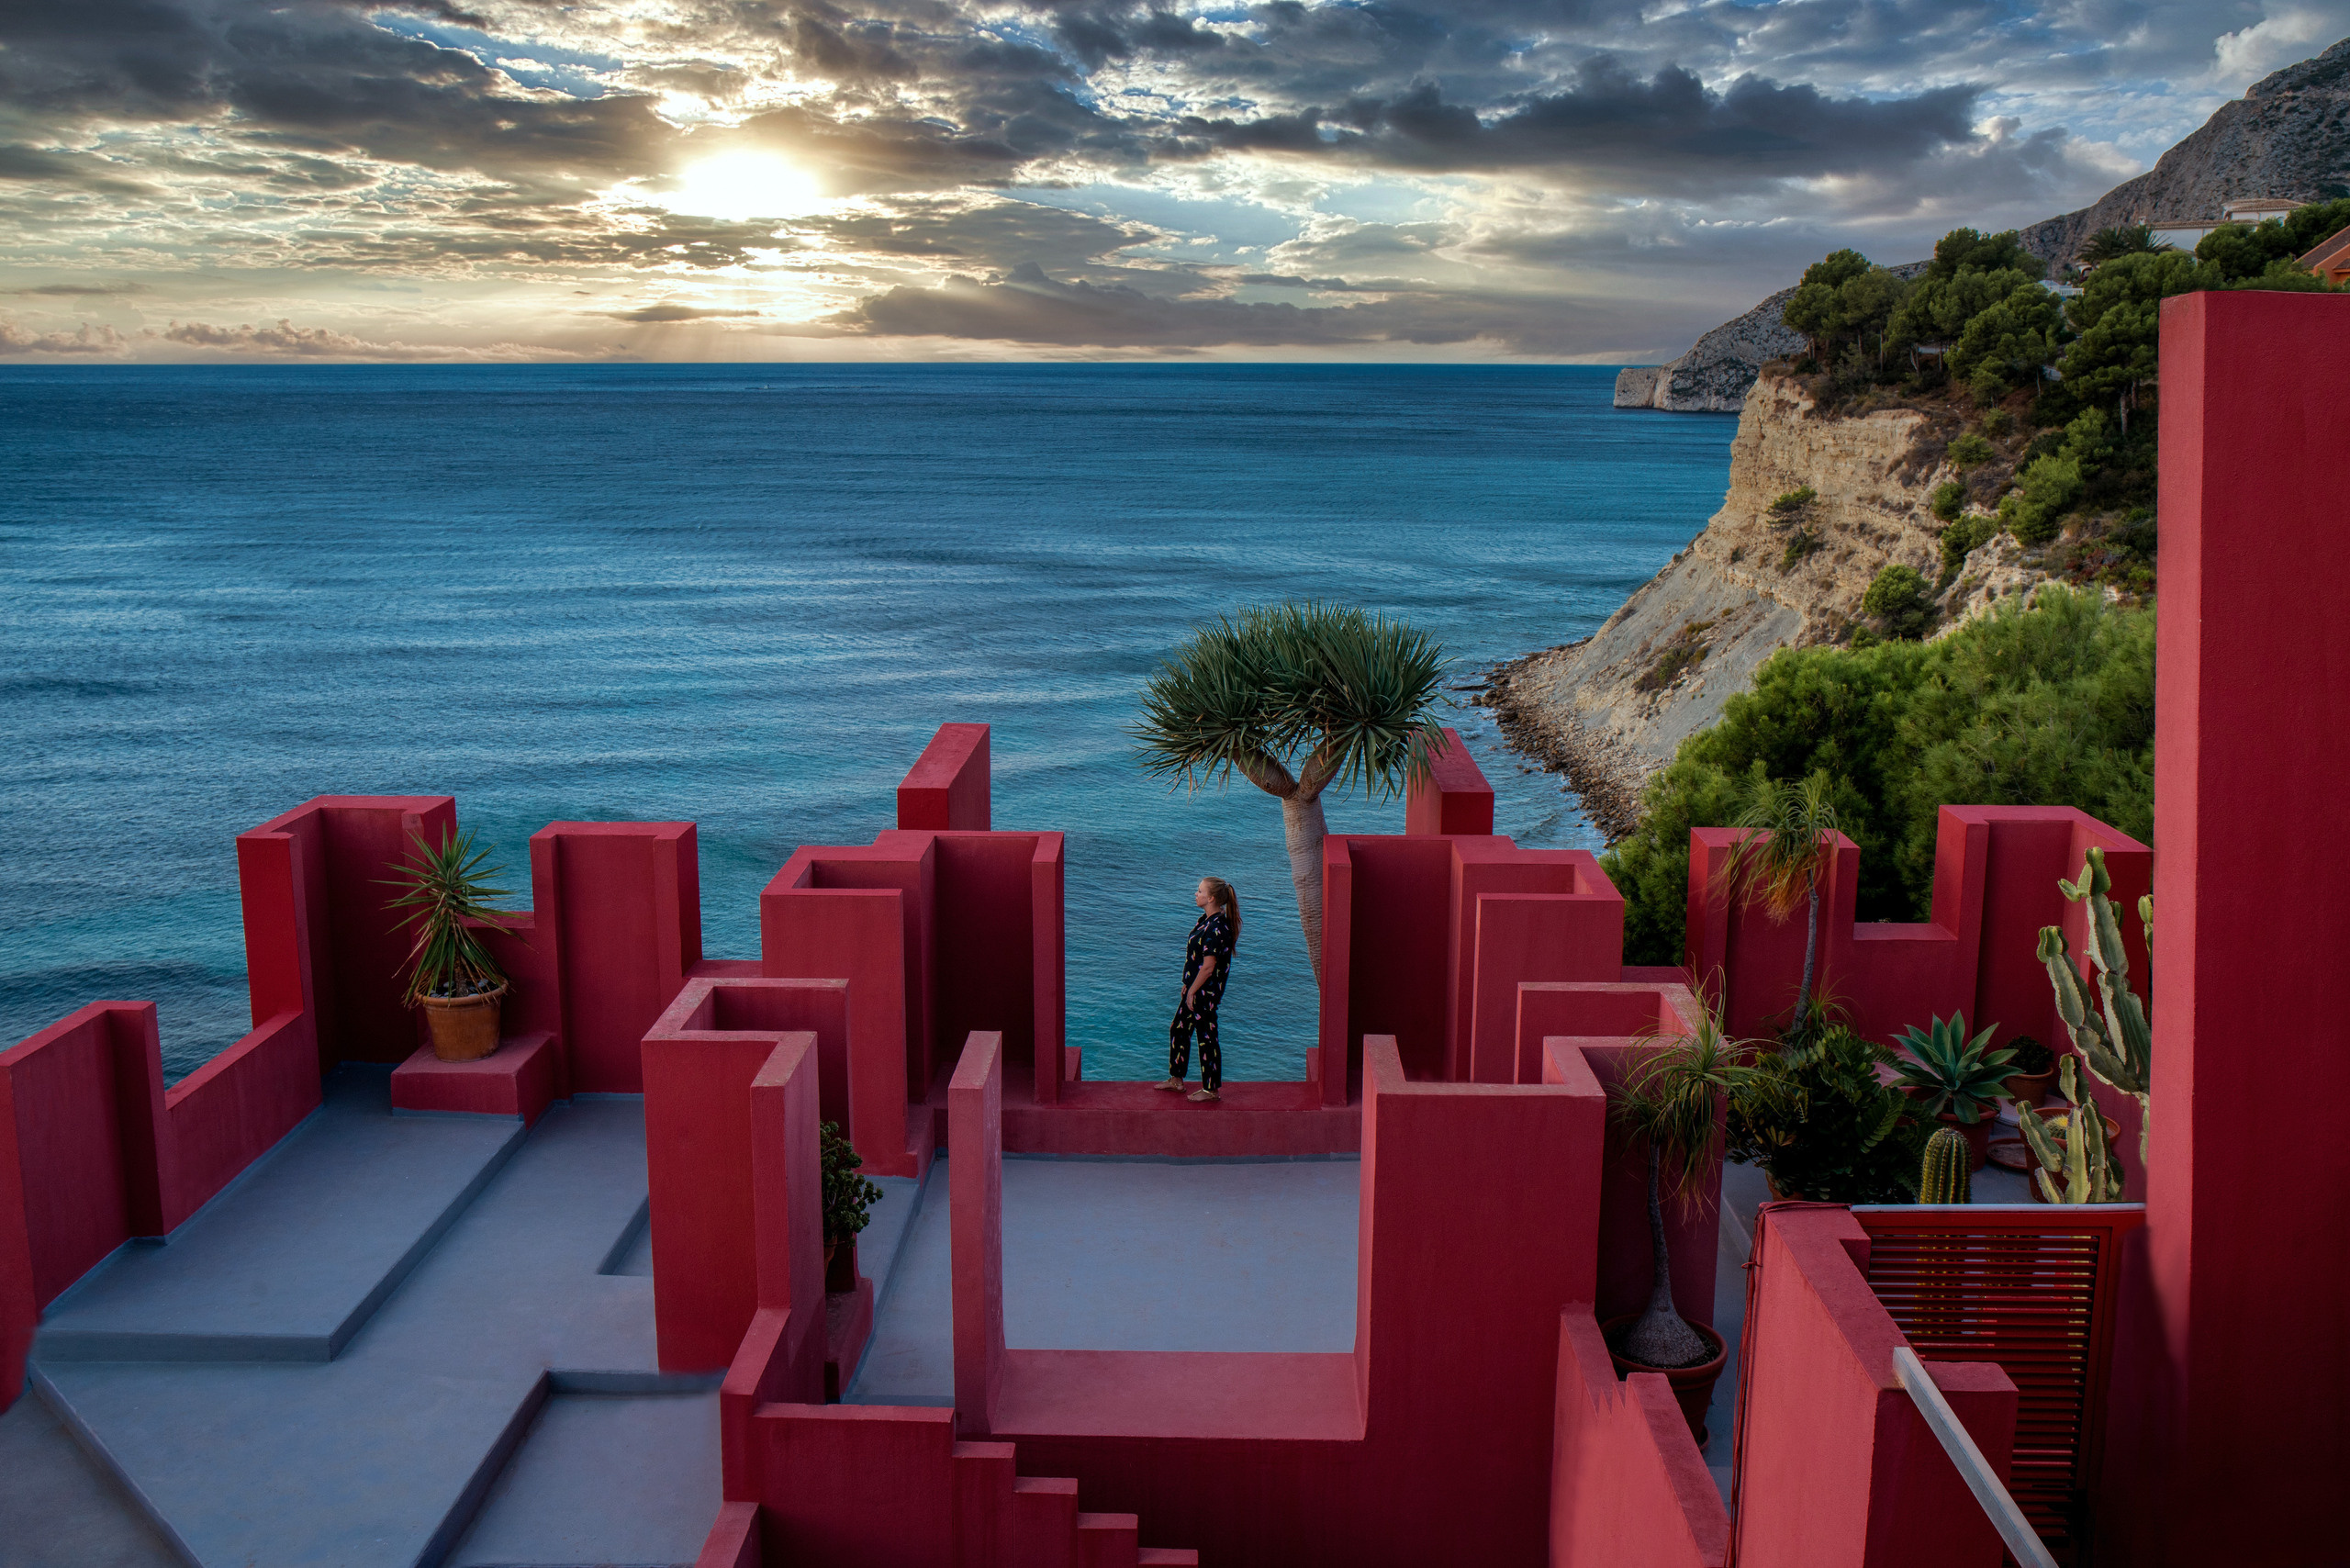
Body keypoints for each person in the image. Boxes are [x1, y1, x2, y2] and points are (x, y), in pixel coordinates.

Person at [1157, 876, 1239, 1103]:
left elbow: (1209, 967)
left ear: (1211, 898)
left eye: (1200, 891)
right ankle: (1176, 1079)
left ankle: (1211, 1090)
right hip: (1194, 989)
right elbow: (1196, 961)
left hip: (1204, 992)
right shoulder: (1205, 920)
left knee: (1207, 1037)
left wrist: (1193, 990)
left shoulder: (1215, 928)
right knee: (1179, 1029)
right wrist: (1187, 984)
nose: (1196, 893)